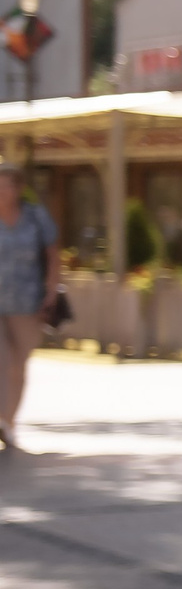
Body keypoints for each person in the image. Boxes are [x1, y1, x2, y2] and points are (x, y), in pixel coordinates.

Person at [0, 158, 62, 453]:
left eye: (6, 186)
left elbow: (53, 254)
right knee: (1, 361)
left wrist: (51, 292)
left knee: (17, 365)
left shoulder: (36, 216)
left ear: (18, 188)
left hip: (28, 302)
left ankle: (8, 422)